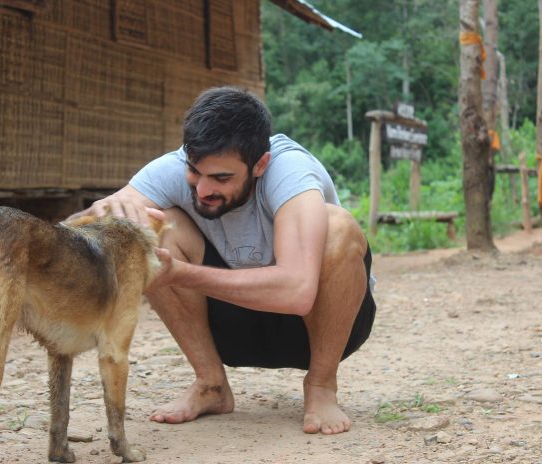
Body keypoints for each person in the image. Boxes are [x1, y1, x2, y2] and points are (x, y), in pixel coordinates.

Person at [67, 86, 375, 435]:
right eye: (195, 172)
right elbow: (85, 225)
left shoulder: (291, 172)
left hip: (319, 327)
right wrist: (102, 215)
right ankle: (211, 384)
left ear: (260, 164)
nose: (202, 190)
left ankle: (321, 386)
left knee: (340, 227)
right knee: (152, 227)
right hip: (232, 327)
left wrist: (181, 274)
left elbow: (298, 292)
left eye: (222, 178)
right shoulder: (173, 167)